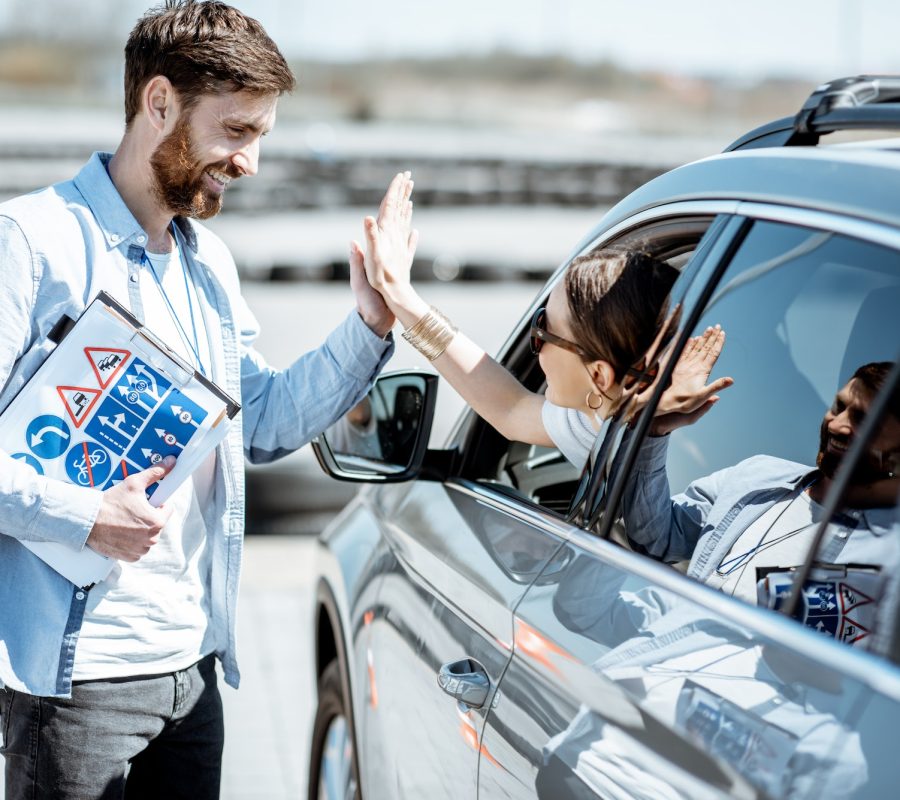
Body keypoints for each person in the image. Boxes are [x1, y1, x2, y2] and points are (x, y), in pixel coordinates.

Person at [0, 2, 408, 798]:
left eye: (260, 136)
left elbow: (261, 422)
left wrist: (371, 323)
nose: (249, 162)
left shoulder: (209, 264)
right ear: (159, 104)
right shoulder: (29, 244)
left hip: (191, 677)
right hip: (77, 687)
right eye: (237, 131)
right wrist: (82, 517)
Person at [358, 173, 733, 469]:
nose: (535, 347)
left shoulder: (627, 433)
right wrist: (400, 296)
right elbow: (508, 407)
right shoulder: (599, 418)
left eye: (543, 333)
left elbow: (510, 407)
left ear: (600, 376)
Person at [619, 361, 900, 649]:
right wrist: (653, 430)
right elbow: (654, 536)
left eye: (864, 421)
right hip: (654, 672)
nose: (837, 424)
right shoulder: (757, 476)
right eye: (839, 407)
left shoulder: (889, 557)